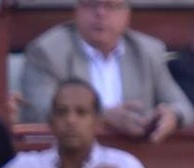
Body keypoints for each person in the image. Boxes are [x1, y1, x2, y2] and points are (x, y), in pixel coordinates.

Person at [19, 0, 193, 141]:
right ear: (76, 11)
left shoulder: (147, 52)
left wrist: (173, 115)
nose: (100, 13)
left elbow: (183, 106)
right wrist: (102, 117)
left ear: (126, 15)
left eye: (110, 6)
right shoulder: (48, 51)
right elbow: (40, 111)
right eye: (92, 5)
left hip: (136, 158)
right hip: (70, 158)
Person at [0, 78, 145, 168]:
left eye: (81, 113)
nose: (70, 120)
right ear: (50, 121)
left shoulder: (125, 167)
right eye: (62, 112)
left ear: (98, 122)